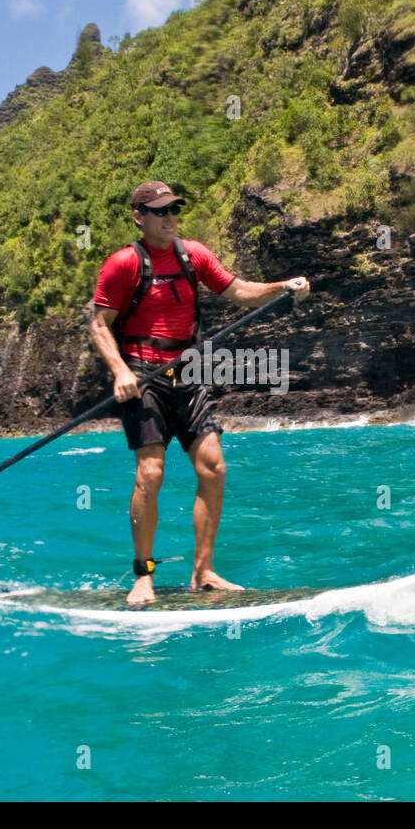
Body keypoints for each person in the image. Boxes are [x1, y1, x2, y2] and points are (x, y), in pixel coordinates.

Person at [90, 181, 310, 605]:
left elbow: (240, 291)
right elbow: (101, 325)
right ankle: (143, 575)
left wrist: (283, 286)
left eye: (173, 209)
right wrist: (120, 372)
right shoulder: (122, 264)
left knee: (213, 468)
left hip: (189, 372)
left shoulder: (195, 255)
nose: (169, 217)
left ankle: (203, 571)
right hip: (142, 374)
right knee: (151, 472)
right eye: (159, 211)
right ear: (138, 216)